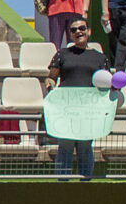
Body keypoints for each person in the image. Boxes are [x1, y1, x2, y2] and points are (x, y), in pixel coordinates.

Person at [43, 15, 110, 181]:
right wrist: (49, 84)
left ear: (88, 31)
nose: (78, 32)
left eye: (81, 28)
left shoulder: (100, 57)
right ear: (70, 34)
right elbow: (51, 77)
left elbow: (107, 82)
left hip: (89, 110)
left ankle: (84, 183)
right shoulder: (62, 54)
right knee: (65, 146)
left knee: (86, 146)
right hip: (66, 109)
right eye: (74, 30)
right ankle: (62, 183)